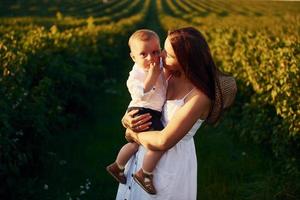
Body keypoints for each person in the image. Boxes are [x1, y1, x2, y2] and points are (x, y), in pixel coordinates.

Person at [116, 27, 237, 199]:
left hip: (171, 161)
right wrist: (127, 119)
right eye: (164, 49)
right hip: (144, 155)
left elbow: (164, 140)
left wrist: (133, 133)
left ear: (187, 61)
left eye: (169, 54)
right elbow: (144, 101)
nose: (162, 55)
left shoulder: (199, 97)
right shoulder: (169, 74)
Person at [106, 29, 167, 195]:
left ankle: (117, 166)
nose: (150, 58)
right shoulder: (135, 74)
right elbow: (140, 93)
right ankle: (144, 174)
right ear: (133, 57)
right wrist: (152, 76)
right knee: (158, 143)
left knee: (135, 144)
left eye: (155, 52)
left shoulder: (158, 65)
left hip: (150, 111)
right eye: (143, 54)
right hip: (142, 110)